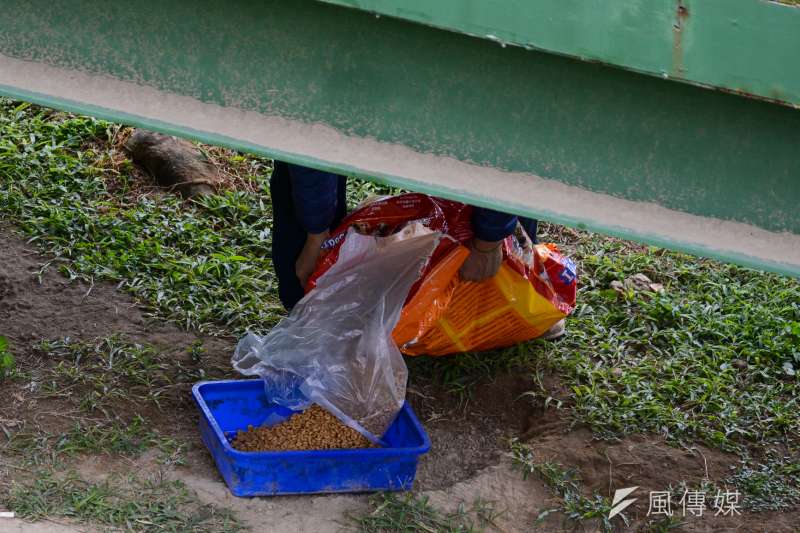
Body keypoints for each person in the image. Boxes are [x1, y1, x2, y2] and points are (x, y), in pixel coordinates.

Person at [270, 162, 563, 338]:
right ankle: (311, 303)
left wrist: (489, 240)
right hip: (343, 96)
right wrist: (316, 235)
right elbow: (308, 145)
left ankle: (523, 295)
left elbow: (508, 146)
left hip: (475, 102)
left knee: (502, 182)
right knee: (300, 162)